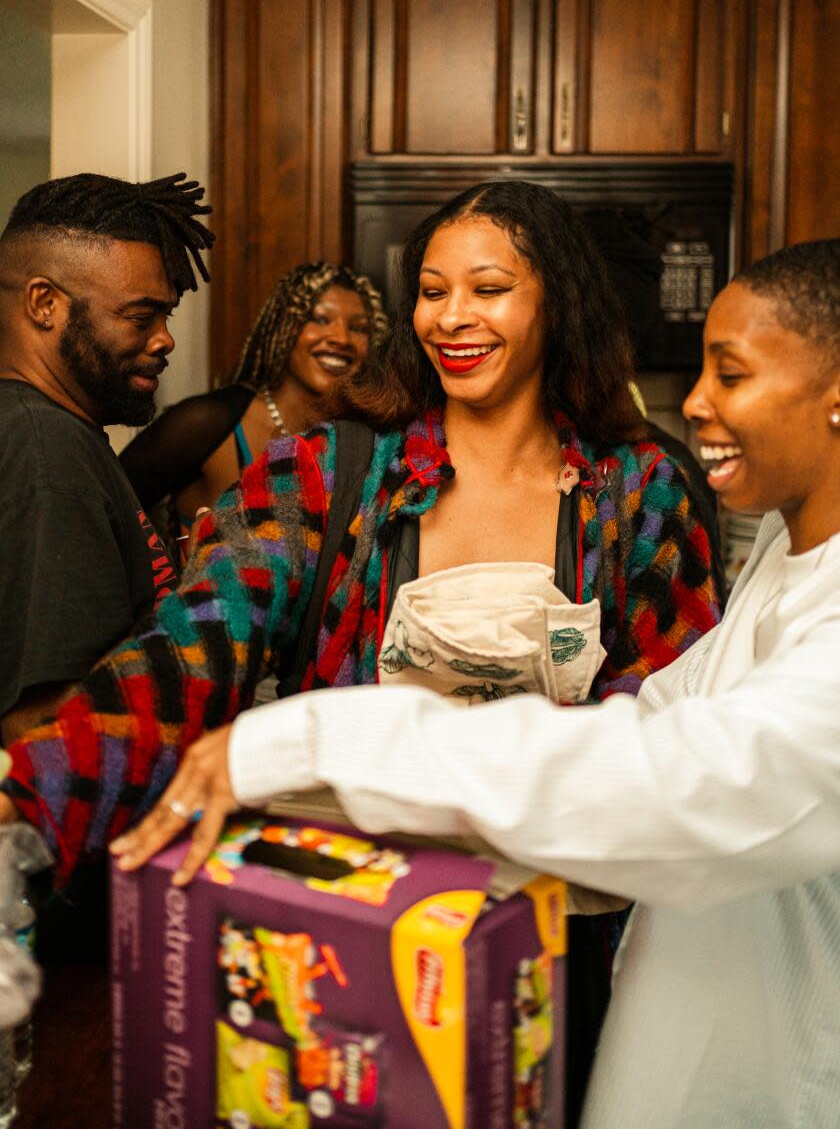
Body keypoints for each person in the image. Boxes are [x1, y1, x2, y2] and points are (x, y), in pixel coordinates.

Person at [0, 181, 720, 1100]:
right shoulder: (326, 474)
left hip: (564, 949)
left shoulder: (639, 492)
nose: (452, 316)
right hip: (344, 936)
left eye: (489, 289)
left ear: (557, 302)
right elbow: (185, 654)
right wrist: (26, 794)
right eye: (431, 290)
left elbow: (677, 718)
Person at [109, 237, 840, 1127]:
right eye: (431, 289)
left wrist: (319, 738)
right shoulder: (785, 552)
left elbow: (681, 776)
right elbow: (650, 710)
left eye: (730, 376)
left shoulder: (645, 494)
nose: (693, 404)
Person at [0, 171, 214, 745]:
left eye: (165, 317)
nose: (165, 339)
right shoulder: (47, 451)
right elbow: (44, 724)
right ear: (44, 303)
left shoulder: (56, 432)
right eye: (141, 317)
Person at [119, 261, 388, 544]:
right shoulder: (207, 421)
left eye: (358, 328)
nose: (341, 338)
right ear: (282, 326)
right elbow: (108, 502)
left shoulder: (367, 439)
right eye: (320, 319)